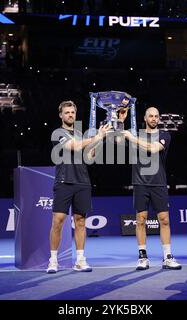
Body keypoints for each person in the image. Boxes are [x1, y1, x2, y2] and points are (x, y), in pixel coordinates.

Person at [47, 100, 110, 273]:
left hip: (82, 182)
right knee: (58, 221)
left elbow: (90, 157)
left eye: (72, 112)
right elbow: (71, 147)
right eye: (67, 112)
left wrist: (100, 139)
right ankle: (53, 261)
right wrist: (94, 137)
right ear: (61, 115)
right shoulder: (58, 133)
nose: (70, 115)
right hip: (64, 182)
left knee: (80, 222)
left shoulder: (82, 136)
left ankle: (80, 260)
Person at [122, 107, 182, 271]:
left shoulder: (164, 135)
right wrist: (121, 121)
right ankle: (142, 257)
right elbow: (118, 141)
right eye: (151, 116)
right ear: (145, 117)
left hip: (159, 183)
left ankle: (168, 257)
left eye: (156, 116)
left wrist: (132, 138)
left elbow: (153, 148)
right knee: (140, 220)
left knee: (164, 220)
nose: (154, 118)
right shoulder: (137, 133)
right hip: (140, 183)